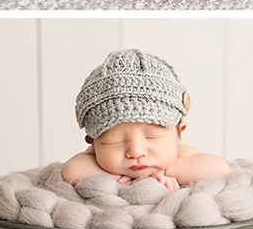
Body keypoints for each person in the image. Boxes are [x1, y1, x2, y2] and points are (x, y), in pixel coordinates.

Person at [61, 49, 230, 190]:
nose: (135, 152)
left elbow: (220, 169)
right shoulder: (93, 157)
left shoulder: (181, 154)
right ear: (92, 141)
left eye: (152, 137)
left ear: (179, 131)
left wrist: (169, 169)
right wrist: (115, 176)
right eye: (115, 140)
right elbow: (71, 171)